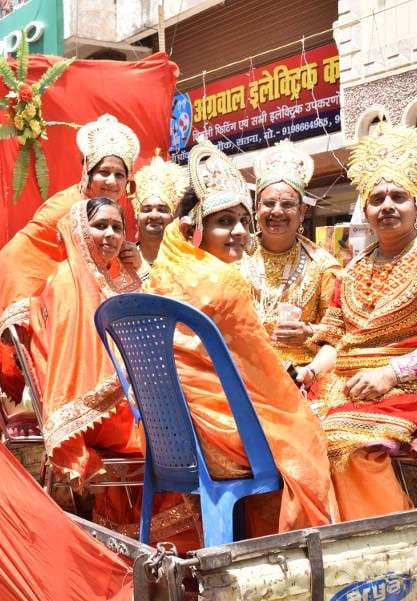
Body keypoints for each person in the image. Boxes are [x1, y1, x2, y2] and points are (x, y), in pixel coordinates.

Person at [297, 124, 417, 521]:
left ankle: (389, 547)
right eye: (377, 199)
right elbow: (335, 339)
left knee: (344, 439)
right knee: (287, 431)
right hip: (351, 383)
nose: (387, 205)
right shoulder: (353, 268)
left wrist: (392, 372)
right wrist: (309, 370)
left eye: (398, 197)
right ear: (366, 209)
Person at [145, 141, 338, 536]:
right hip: (222, 432)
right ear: (192, 227)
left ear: (303, 212)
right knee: (313, 439)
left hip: (173, 433)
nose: (238, 231)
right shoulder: (227, 277)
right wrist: (295, 391)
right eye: (223, 221)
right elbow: (264, 375)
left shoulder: (166, 271)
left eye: (240, 220)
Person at [30, 197, 200, 548]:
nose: (109, 235)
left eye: (117, 228)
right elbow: (76, 363)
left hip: (118, 400)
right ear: (79, 229)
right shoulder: (68, 281)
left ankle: (143, 534)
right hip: (97, 410)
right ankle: (169, 539)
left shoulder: (109, 277)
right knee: (191, 426)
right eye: (100, 225)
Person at [0, 114, 142, 403]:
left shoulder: (112, 209)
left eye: (119, 175)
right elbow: (16, 254)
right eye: (104, 172)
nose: (111, 181)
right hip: (62, 314)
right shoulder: (67, 207)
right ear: (87, 171)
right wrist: (29, 313)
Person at [239, 140, 340, 368]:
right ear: (256, 209)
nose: (277, 211)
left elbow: (338, 331)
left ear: (302, 211)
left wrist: (309, 331)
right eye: (269, 203)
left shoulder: (323, 266)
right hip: (241, 369)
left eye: (287, 204)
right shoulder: (235, 256)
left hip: (300, 373)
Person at [131, 149, 186, 281]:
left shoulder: (187, 261)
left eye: (162, 209)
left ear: (172, 217)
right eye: (146, 209)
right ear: (137, 216)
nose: (154, 215)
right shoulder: (124, 258)